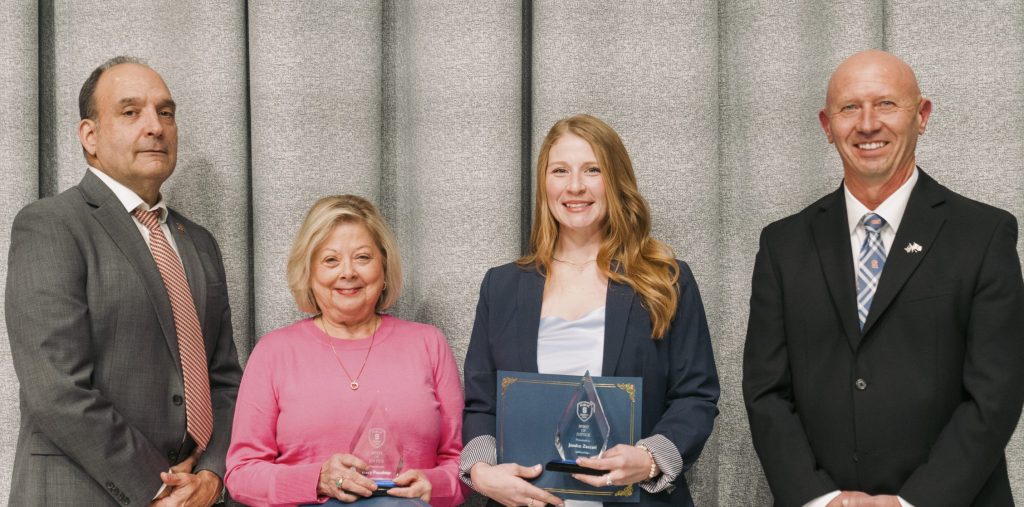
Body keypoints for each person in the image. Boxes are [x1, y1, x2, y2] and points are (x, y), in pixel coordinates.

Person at [743, 49, 1024, 507]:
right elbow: (765, 392)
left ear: (923, 116)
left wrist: (912, 503)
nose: (868, 123)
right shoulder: (783, 244)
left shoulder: (983, 235)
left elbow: (995, 396)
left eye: (887, 104)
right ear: (826, 126)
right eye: (849, 107)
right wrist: (819, 499)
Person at [5, 56, 243, 505]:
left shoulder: (201, 243)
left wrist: (212, 476)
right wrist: (156, 490)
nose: (155, 126)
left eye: (166, 112)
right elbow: (56, 389)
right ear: (89, 136)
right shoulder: (51, 225)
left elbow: (225, 379)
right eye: (131, 112)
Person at [461, 114, 720, 507]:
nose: (575, 186)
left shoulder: (666, 280)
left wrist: (651, 460)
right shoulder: (501, 287)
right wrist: (481, 473)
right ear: (544, 183)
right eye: (560, 170)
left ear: (615, 181)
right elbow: (481, 403)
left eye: (592, 170)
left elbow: (696, 397)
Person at [225, 195, 466, 507]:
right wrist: (317, 479)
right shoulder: (273, 353)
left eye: (363, 258)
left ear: (384, 267)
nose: (348, 272)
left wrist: (432, 484)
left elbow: (462, 465)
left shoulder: (428, 344)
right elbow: (241, 474)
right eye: (330, 260)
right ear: (309, 273)